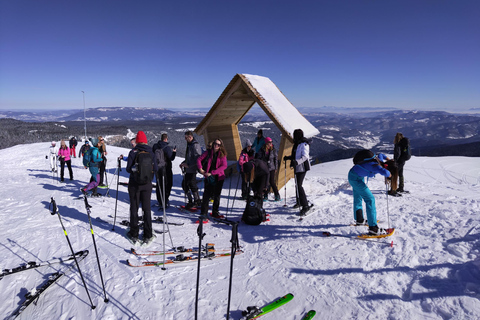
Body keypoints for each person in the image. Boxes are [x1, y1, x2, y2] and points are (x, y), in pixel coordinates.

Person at [125, 131, 158, 245]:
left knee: (134, 208)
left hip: (134, 185)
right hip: (147, 185)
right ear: (146, 141)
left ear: (137, 141)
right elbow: (156, 168)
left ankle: (134, 233)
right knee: (146, 209)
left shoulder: (133, 152)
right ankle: (148, 234)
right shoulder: (151, 152)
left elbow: (128, 169)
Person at [348, 149, 391, 235]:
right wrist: (390, 175)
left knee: (358, 197)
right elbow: (386, 173)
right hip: (355, 179)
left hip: (354, 175)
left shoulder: (378, 161)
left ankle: (360, 220)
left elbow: (381, 155)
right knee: (370, 199)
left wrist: (389, 160)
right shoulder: (375, 165)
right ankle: (373, 229)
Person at [283, 129, 312, 215]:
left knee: (299, 185)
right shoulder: (297, 144)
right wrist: (288, 158)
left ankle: (305, 205)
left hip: (302, 167)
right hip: (297, 166)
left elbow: (305, 156)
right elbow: (295, 155)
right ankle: (299, 201)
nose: (293, 137)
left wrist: (297, 162)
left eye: (294, 135)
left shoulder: (304, 144)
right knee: (297, 185)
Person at [197, 138, 228, 218]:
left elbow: (224, 166)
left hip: (218, 177)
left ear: (220, 146)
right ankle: (204, 213)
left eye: (218, 144)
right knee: (206, 195)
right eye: (215, 144)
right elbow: (199, 159)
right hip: (208, 177)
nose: (216, 146)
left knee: (216, 195)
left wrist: (213, 172)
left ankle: (215, 212)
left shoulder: (222, 154)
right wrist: (201, 169)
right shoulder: (208, 152)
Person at [179, 131, 202, 210]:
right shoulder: (190, 145)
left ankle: (196, 201)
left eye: (186, 137)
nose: (185, 139)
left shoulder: (195, 145)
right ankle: (192, 201)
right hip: (189, 169)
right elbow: (189, 158)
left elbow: (198, 158)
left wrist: (188, 165)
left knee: (191, 184)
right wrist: (183, 163)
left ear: (190, 137)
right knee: (185, 185)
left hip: (192, 169)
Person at [153, 133, 176, 209]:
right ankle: (165, 200)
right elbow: (171, 158)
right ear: (166, 139)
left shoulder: (155, 146)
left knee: (159, 184)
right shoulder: (166, 147)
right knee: (167, 184)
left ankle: (160, 200)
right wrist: (174, 152)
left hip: (157, 168)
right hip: (166, 168)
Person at [256, 137, 281, 201]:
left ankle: (277, 195)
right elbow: (259, 158)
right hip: (264, 168)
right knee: (265, 182)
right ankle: (265, 195)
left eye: (271, 142)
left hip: (271, 167)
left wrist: (276, 168)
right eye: (269, 142)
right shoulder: (262, 150)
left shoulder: (273, 150)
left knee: (272, 182)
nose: (271, 143)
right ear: (266, 143)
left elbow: (275, 159)